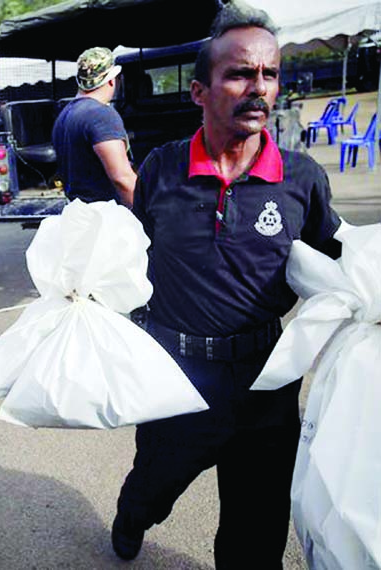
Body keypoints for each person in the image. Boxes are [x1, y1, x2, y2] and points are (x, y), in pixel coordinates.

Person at [111, 4, 342, 568]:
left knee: (256, 537)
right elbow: (129, 259)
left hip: (266, 382)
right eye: (240, 74)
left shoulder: (302, 178)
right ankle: (132, 515)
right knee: (153, 490)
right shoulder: (162, 170)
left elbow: (337, 266)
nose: (258, 88)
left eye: (269, 74)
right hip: (177, 379)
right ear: (199, 91)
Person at [51, 46, 137, 207]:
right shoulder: (101, 115)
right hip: (106, 217)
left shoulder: (64, 117)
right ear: (112, 80)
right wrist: (145, 218)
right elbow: (122, 179)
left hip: (78, 214)